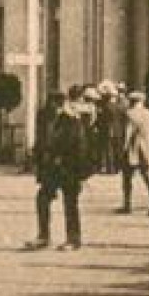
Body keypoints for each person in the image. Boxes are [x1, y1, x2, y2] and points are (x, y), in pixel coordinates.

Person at [27, 86, 92, 251]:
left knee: (70, 203)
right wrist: (36, 159)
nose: (52, 109)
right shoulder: (45, 121)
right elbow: (41, 143)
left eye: (55, 105)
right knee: (42, 199)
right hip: (51, 170)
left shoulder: (72, 122)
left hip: (69, 169)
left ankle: (73, 239)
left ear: (61, 105)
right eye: (49, 105)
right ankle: (43, 236)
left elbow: (81, 147)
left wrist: (81, 173)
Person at [118, 89, 149, 216]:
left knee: (127, 178)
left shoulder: (129, 114)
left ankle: (127, 205)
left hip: (133, 149)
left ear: (131, 102)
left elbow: (127, 134)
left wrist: (123, 149)